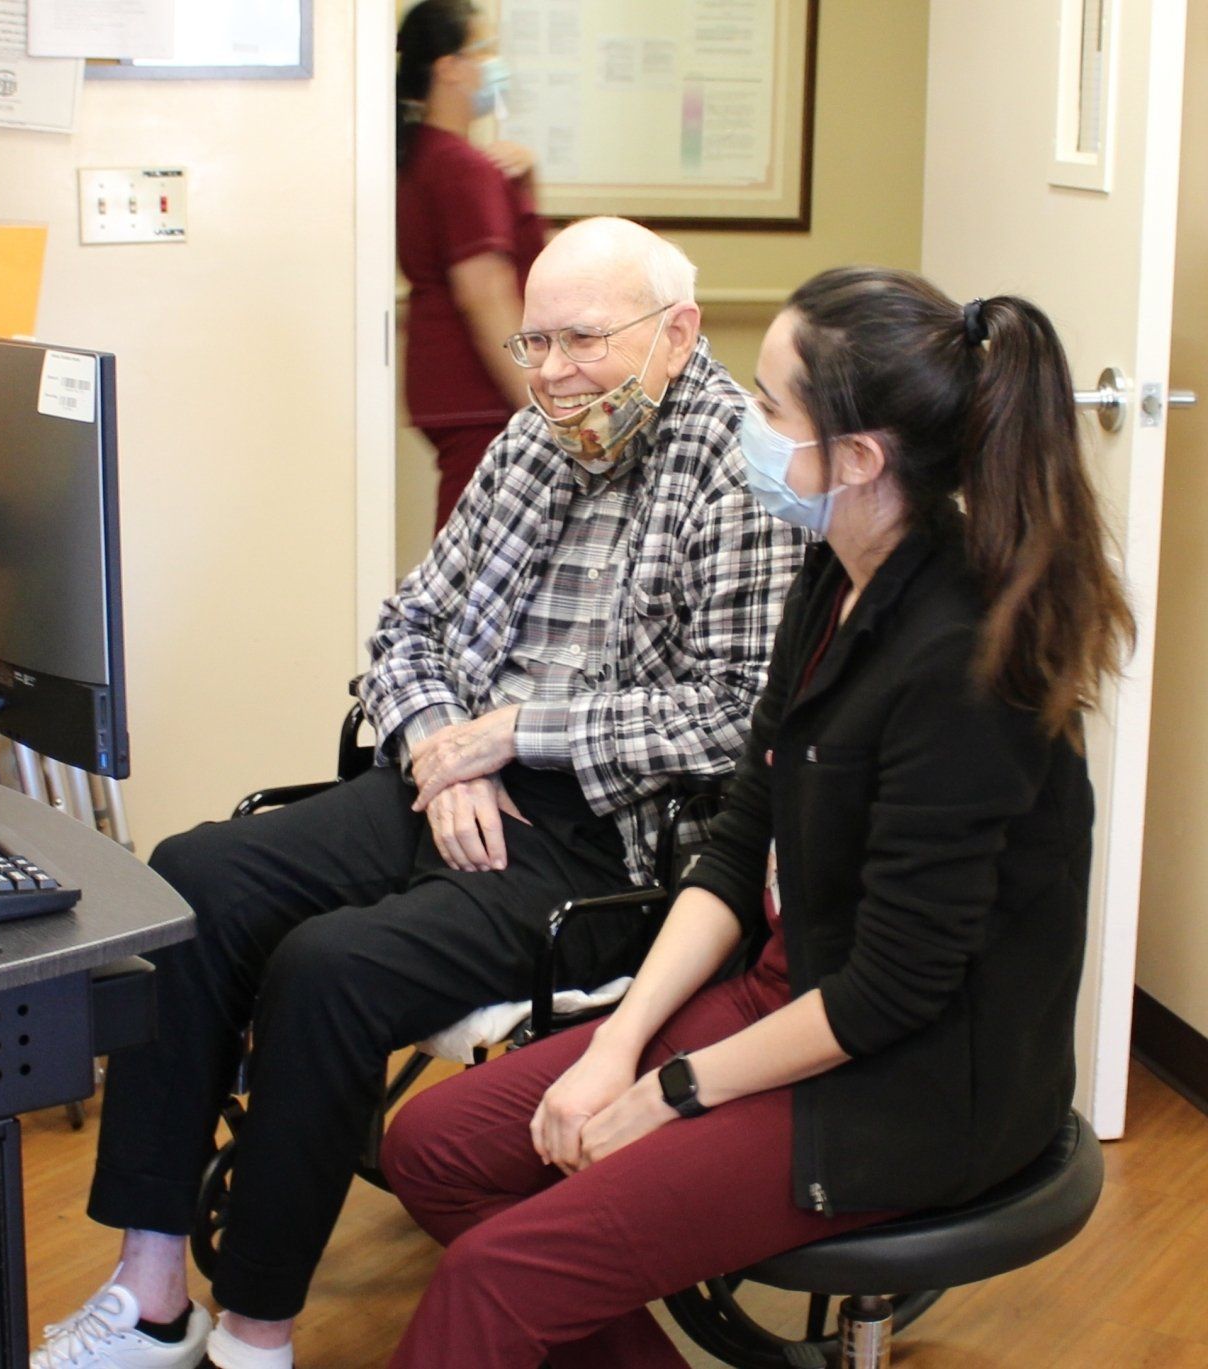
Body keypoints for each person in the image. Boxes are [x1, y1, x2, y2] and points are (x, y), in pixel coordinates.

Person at [27, 216, 809, 1369]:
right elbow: (410, 629)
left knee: (329, 969)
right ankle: (149, 1291)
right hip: (456, 778)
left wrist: (517, 731)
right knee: (188, 880)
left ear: (677, 331)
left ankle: (255, 1327)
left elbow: (733, 716)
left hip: (608, 841)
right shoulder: (537, 441)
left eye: (582, 341)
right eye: (532, 344)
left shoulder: (737, 472)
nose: (550, 374)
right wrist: (446, 738)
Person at [378, 267, 1136, 1368]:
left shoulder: (966, 664)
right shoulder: (835, 576)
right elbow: (741, 839)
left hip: (909, 1088)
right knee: (438, 1149)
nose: (745, 424)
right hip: (791, 998)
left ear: (860, 458)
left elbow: (892, 991)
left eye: (772, 406)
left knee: (491, 1282)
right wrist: (621, 1044)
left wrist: (666, 1096)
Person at [396, 0, 546, 531]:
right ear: (448, 68)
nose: (493, 64)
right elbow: (486, 297)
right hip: (480, 393)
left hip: (449, 389)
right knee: (474, 559)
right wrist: (543, 403)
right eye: (482, 51)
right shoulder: (462, 167)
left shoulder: (425, 155)